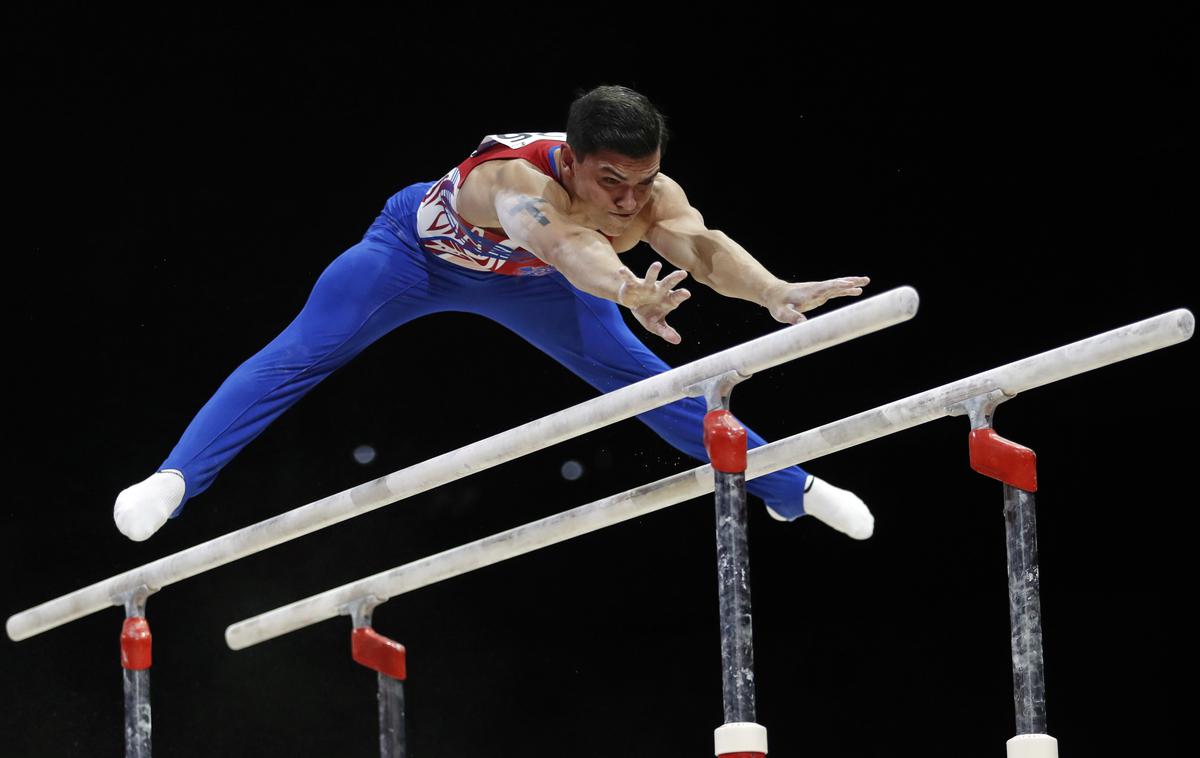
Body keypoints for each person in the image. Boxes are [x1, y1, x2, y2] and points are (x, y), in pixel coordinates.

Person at [113, 84, 875, 543]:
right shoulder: (514, 182)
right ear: (570, 160)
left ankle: (791, 490)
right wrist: (627, 291)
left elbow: (702, 248)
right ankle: (176, 479)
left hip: (532, 285)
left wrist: (774, 290)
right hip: (412, 258)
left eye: (643, 181)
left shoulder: (645, 193)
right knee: (300, 352)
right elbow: (571, 249)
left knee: (649, 385)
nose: (630, 200)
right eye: (612, 181)